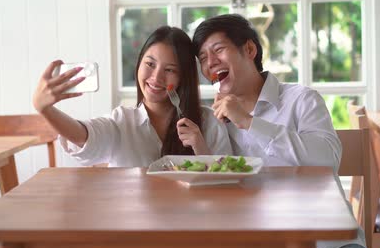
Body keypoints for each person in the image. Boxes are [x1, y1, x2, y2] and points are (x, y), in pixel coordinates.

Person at [192, 14, 378, 248]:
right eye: (202, 58)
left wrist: (249, 122)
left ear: (249, 49)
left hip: (324, 242)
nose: (210, 63)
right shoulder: (214, 122)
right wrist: (202, 147)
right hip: (251, 245)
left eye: (218, 50)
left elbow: (327, 160)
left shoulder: (302, 100)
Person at [33, 25, 231, 168]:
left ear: (184, 78)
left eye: (170, 69)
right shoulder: (122, 122)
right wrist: (46, 110)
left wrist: (200, 148)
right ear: (139, 64)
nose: (156, 77)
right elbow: (85, 135)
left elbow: (225, 188)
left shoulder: (210, 124)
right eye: (150, 64)